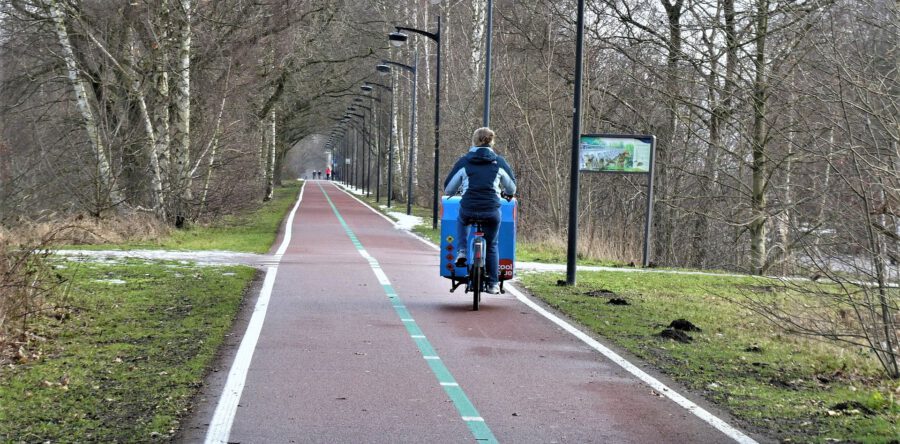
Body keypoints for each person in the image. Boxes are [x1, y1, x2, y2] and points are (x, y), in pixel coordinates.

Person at [443, 127, 516, 294]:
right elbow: (511, 188)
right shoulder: (499, 162)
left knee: (462, 219)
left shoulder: (464, 162)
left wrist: (456, 191)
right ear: (491, 142)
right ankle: (493, 284)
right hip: (491, 210)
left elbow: (448, 189)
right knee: (492, 245)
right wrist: (507, 193)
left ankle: (462, 251)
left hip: (469, 208)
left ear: (474, 141)